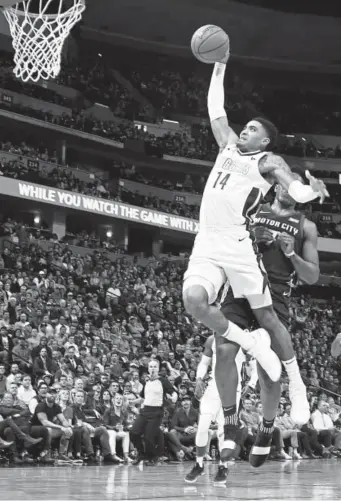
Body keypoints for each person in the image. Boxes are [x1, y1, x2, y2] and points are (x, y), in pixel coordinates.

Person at [182, 53, 327, 454]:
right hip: (207, 243)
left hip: (238, 247)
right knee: (193, 301)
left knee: (268, 317)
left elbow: (294, 190)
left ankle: (294, 387)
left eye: (251, 129)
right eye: (243, 127)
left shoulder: (269, 161)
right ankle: (249, 347)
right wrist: (219, 65)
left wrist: (308, 190)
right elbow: (215, 109)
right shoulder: (227, 147)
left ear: (264, 141)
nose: (242, 131)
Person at [216, 166, 320, 467]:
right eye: (288, 184)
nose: (291, 190)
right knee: (224, 351)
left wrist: (291, 254)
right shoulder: (254, 209)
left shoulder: (306, 227)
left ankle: (266, 426)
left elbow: (312, 276)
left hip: (275, 294)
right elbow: (226, 240)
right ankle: (231, 422)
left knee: (268, 373)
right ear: (277, 187)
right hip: (240, 287)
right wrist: (250, 238)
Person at [184, 334, 247, 484]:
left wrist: (251, 384)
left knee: (223, 430)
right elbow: (204, 363)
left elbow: (254, 363)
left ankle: (223, 467)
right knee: (202, 427)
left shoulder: (243, 339)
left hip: (232, 389)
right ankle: (199, 464)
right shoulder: (212, 339)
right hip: (213, 387)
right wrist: (199, 378)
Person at [130, 359, 177, 465]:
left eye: (155, 367)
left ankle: (152, 457)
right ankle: (141, 454)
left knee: (148, 436)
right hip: (145, 410)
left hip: (156, 411)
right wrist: (131, 401)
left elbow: (173, 392)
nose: (152, 369)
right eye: (151, 367)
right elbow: (142, 399)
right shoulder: (146, 381)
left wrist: (174, 397)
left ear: (158, 368)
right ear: (148, 368)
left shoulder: (163, 380)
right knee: (133, 432)